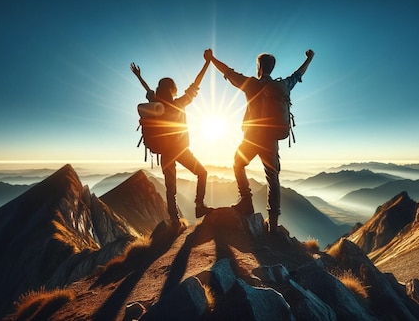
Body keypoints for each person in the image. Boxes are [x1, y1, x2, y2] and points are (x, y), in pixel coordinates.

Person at [204, 48, 314, 234]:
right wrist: (309, 59)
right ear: (272, 68)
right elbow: (298, 74)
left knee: (238, 164)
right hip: (271, 139)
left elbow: (228, 72)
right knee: (273, 178)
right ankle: (273, 223)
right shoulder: (283, 86)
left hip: (252, 137)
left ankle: (246, 200)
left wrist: (212, 58)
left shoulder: (251, 84)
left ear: (259, 68)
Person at [130, 54, 213, 226]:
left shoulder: (155, 103)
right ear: (172, 89)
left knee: (170, 187)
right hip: (180, 150)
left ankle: (174, 219)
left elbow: (148, 90)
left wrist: (139, 76)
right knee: (202, 173)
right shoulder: (179, 103)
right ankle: (199, 205)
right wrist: (206, 63)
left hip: (164, 151)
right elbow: (196, 85)